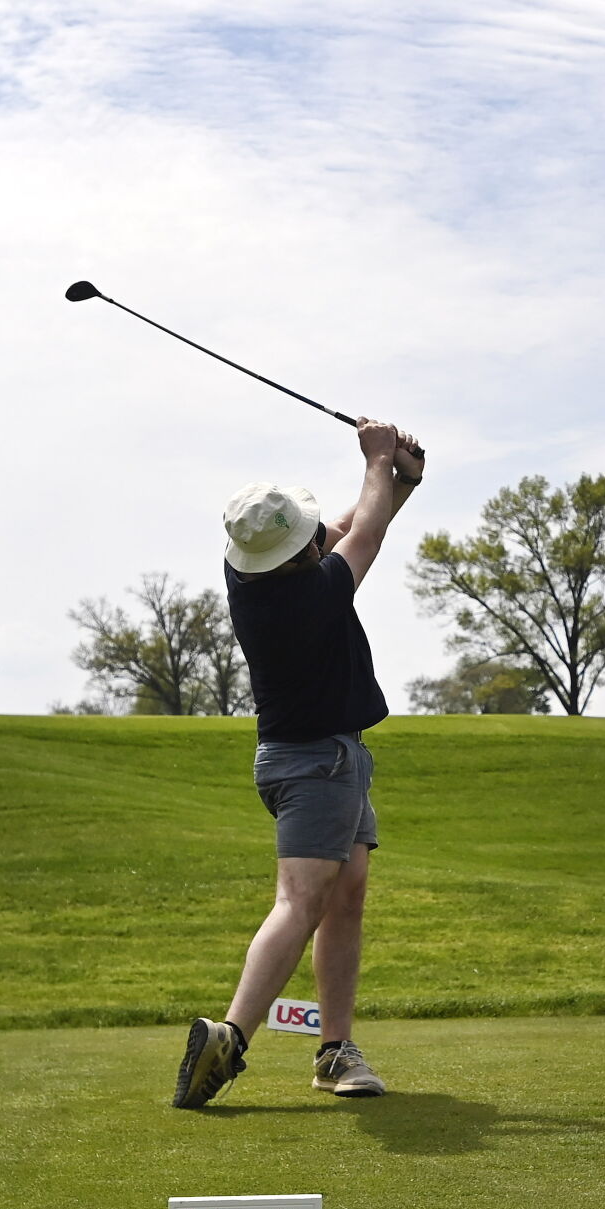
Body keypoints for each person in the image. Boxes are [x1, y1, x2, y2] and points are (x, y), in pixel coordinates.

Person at [171, 417, 425, 1109]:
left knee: (346, 893)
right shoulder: (309, 595)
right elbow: (360, 537)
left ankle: (334, 1050)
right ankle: (229, 1037)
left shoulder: (250, 572)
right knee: (301, 900)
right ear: (292, 558)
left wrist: (398, 480)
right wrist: (376, 458)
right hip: (318, 764)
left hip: (326, 758)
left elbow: (343, 530)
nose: (318, 542)